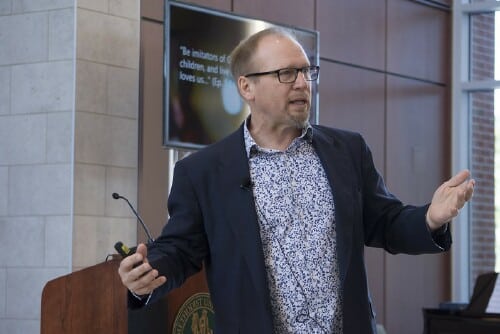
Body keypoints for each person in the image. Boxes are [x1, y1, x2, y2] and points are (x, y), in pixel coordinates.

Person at [118, 27, 475, 333]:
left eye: (307, 72)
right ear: (247, 87)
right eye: (287, 73)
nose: (303, 83)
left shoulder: (347, 151)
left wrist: (431, 218)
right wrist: (146, 276)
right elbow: (180, 249)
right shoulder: (203, 171)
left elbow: (385, 222)